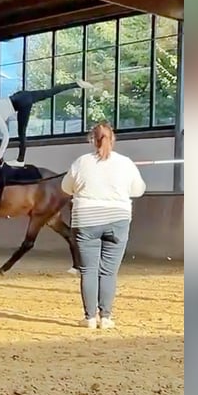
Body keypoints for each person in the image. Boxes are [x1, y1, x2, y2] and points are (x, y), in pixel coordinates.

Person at [61, 121, 146, 329]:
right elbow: (138, 190)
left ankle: (90, 317)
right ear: (113, 139)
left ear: (92, 140)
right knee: (108, 272)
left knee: (88, 270)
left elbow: (66, 187)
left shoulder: (81, 162)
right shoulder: (126, 163)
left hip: (86, 219)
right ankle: (106, 317)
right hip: (118, 218)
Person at [0, 80, 95, 167]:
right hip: (22, 96)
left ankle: (20, 160)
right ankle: (76, 84)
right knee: (49, 92)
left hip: (22, 101)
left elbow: (6, 135)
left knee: (22, 131)